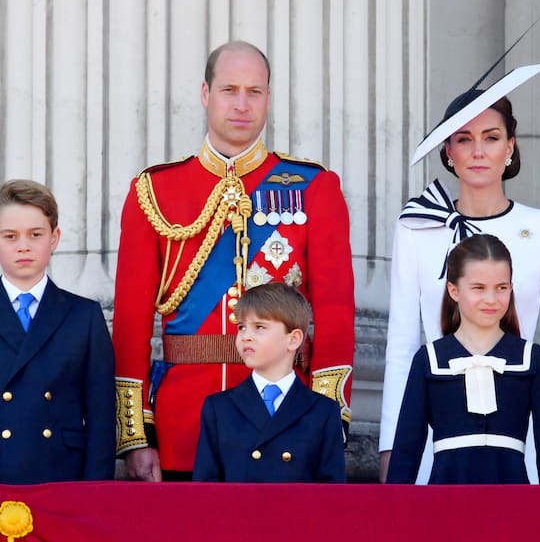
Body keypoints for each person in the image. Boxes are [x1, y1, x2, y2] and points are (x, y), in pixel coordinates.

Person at [113, 40, 355, 481]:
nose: (242, 104)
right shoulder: (154, 191)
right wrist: (137, 435)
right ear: (206, 94)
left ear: (268, 97)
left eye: (254, 91)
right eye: (229, 90)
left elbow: (336, 316)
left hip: (288, 427)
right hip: (183, 427)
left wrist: (329, 418)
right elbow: (130, 324)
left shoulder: (313, 187)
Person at [379, 77, 540, 483]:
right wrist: (391, 446)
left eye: (490, 138)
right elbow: (401, 345)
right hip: (439, 442)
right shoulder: (417, 227)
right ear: (448, 151)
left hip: (521, 442)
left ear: (510, 146)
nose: (478, 152)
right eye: (464, 139)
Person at [386, 234, 540, 484]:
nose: (491, 299)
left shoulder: (530, 358)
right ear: (454, 290)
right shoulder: (429, 359)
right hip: (446, 505)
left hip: (513, 506)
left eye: (501, 288)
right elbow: (406, 452)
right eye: (479, 288)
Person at [0, 179, 115, 484]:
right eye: (10, 236)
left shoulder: (84, 316)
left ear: (54, 238)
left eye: (35, 234)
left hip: (60, 477)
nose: (23, 245)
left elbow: (101, 417)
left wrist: (94, 495)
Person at [192, 282, 345, 482]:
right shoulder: (219, 408)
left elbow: (332, 496)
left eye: (259, 327)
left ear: (293, 339)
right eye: (241, 327)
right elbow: (205, 492)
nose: (246, 336)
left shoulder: (323, 412)